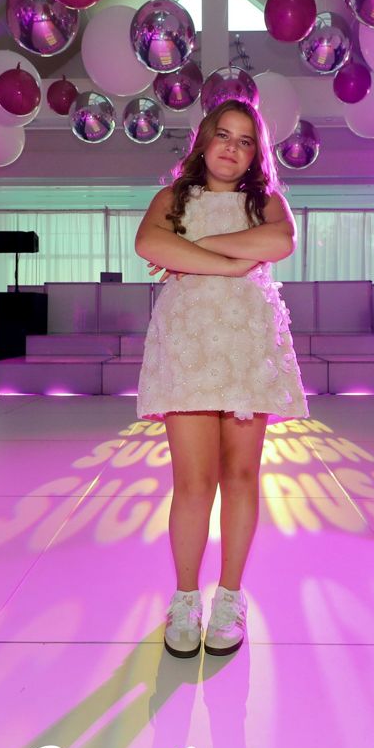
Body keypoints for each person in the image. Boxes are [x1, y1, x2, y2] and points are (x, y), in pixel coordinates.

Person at [134, 99, 309, 658]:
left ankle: (230, 596)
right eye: (223, 135)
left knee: (240, 475)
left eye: (245, 140)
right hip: (189, 343)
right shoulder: (172, 198)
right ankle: (186, 598)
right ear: (204, 141)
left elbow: (279, 243)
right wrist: (232, 260)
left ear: (257, 152)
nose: (232, 147)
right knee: (192, 481)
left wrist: (193, 252)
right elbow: (149, 246)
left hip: (246, 344)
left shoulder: (265, 201)